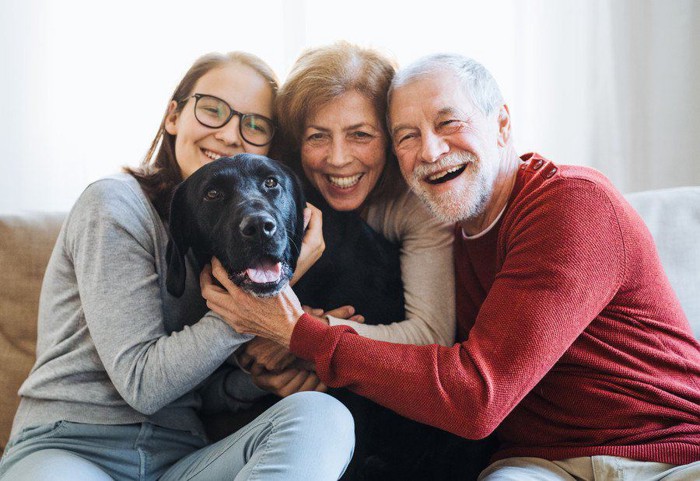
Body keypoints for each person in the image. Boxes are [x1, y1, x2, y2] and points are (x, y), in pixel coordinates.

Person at [200, 53, 700, 481]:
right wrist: (287, 362)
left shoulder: (572, 205)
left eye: (449, 123)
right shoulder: (442, 223)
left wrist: (301, 335)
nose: (432, 151)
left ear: (502, 124)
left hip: (666, 450)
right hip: (537, 463)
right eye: (408, 135)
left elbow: (475, 397)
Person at [0, 52, 354, 481]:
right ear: (173, 116)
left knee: (323, 416)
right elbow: (143, 385)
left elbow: (201, 391)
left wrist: (256, 381)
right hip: (71, 445)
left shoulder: (230, 237)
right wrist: (268, 296)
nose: (228, 134)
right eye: (213, 109)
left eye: (254, 124)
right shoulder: (114, 204)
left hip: (179, 461)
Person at [236, 42, 494, 480]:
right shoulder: (275, 192)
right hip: (302, 409)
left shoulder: (418, 198)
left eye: (361, 134)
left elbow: (430, 334)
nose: (338, 159)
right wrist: (256, 368)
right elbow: (239, 321)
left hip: (399, 413)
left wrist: (302, 337)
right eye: (318, 136)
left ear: (392, 138)